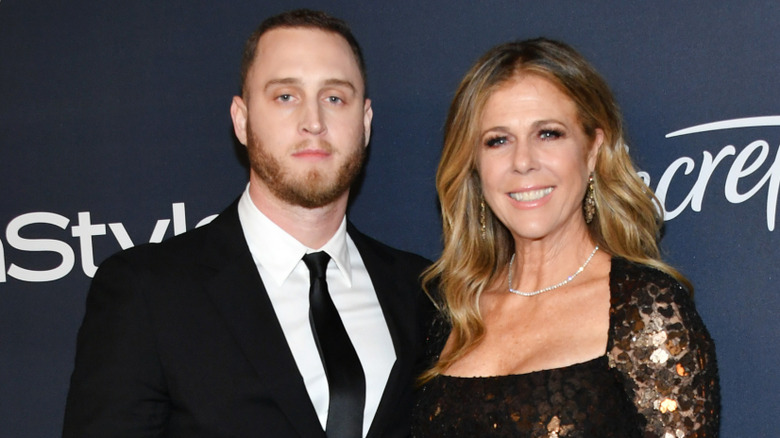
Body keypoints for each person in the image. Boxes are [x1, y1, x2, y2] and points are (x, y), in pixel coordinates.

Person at [63, 9, 432, 438]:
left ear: (364, 123)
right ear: (241, 119)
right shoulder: (147, 291)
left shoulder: (424, 291)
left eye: (334, 98)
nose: (313, 122)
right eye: (285, 96)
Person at [412, 38, 720, 437]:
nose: (523, 162)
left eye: (548, 134)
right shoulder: (453, 307)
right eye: (498, 140)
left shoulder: (644, 309)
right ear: (474, 165)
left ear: (593, 151)